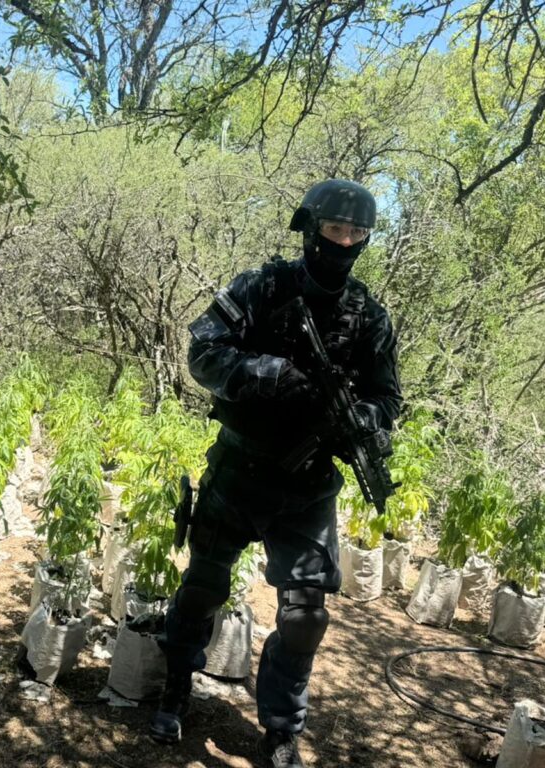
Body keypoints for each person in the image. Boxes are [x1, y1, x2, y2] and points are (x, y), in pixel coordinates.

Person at [150, 180, 402, 767]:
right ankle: (175, 687)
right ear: (311, 228)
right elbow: (202, 352)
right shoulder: (262, 286)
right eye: (336, 229)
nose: (345, 241)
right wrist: (263, 372)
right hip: (238, 469)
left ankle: (282, 727)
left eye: (356, 233)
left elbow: (388, 400)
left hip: (307, 487)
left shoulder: (369, 316)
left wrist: (361, 421)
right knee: (204, 587)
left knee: (304, 615)